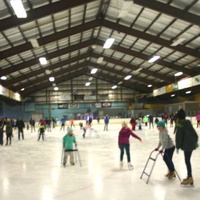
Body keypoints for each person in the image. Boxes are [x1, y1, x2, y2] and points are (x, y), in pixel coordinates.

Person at [175, 108, 198, 185]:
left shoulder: (180, 124)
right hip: (191, 144)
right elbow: (195, 134)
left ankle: (190, 177)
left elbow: (179, 137)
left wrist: (177, 146)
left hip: (187, 145)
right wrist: (195, 141)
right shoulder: (188, 123)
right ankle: (189, 177)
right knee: (187, 160)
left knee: (187, 161)